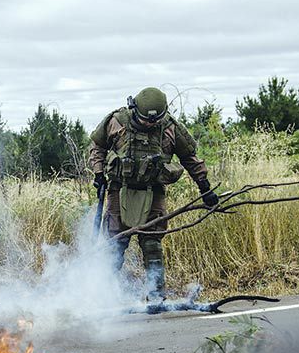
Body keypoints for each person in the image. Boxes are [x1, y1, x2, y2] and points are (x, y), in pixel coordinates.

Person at [88, 87, 218, 299]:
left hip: (153, 192)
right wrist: (99, 173)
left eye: (154, 121)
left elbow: (190, 158)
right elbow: (97, 146)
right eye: (145, 120)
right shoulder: (117, 121)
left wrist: (205, 187)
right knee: (114, 245)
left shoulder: (170, 128)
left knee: (152, 245)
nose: (150, 124)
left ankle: (156, 295)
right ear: (134, 109)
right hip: (119, 190)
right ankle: (102, 296)